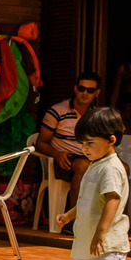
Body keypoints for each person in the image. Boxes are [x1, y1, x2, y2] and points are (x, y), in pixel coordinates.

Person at [55, 107, 130, 260]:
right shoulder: (95, 165)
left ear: (111, 140)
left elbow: (112, 200)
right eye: (82, 144)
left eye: (90, 143)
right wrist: (69, 215)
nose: (84, 148)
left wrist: (101, 232)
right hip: (87, 240)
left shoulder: (111, 168)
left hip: (106, 243)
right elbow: (87, 200)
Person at [35, 71, 101, 212]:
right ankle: (74, 219)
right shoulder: (57, 111)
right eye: (82, 89)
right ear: (75, 89)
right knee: (83, 166)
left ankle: (110, 219)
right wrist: (56, 154)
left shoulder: (96, 115)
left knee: (122, 167)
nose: (85, 93)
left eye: (90, 90)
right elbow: (40, 143)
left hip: (89, 159)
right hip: (63, 161)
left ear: (97, 93)